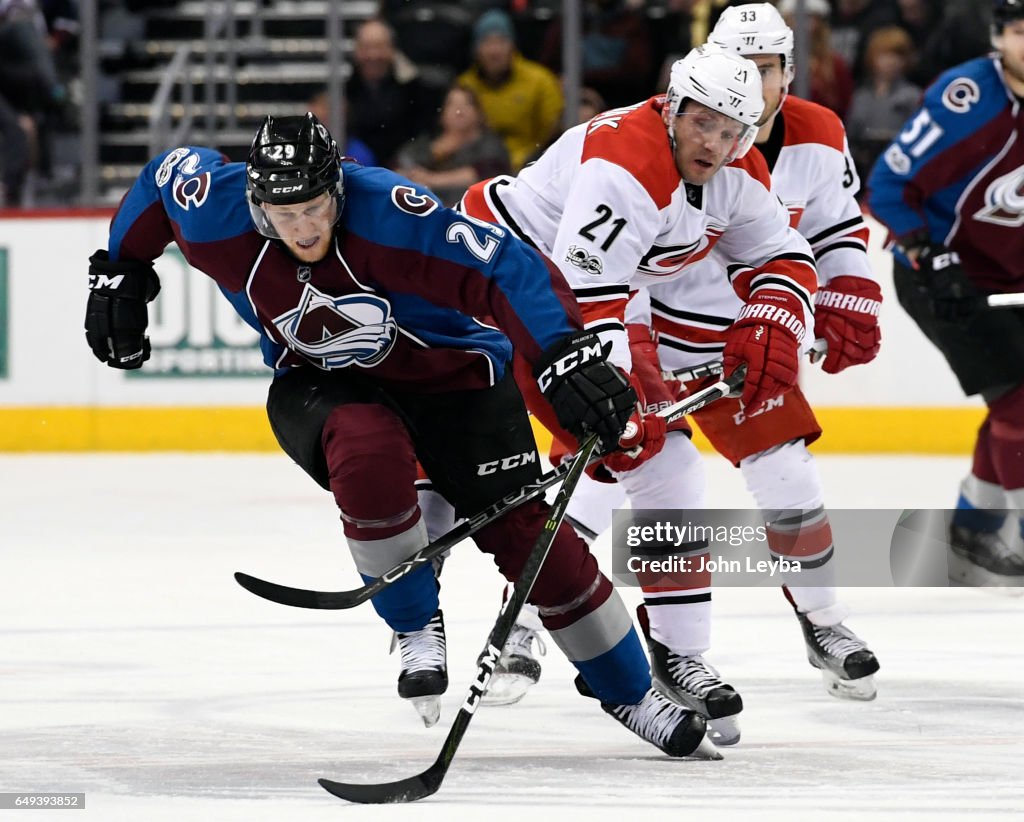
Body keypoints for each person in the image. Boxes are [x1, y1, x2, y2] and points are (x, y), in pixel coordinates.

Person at [83, 112, 718, 759]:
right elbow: (161, 180)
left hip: (454, 378)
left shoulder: (391, 214)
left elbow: (506, 268)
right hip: (321, 383)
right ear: (255, 203)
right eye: (284, 213)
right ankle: (416, 622)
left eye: (315, 207)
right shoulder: (216, 212)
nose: (303, 229)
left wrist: (563, 354)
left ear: (338, 189)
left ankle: (632, 692)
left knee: (529, 540)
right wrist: (119, 269)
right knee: (366, 449)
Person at [436, 43, 822, 725]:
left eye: (734, 130)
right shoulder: (625, 163)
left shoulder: (738, 171)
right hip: (504, 279)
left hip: (592, 293)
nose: (716, 142)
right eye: (703, 122)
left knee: (661, 468)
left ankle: (676, 653)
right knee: (629, 454)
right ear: (673, 107)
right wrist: (618, 400)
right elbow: (585, 299)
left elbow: (784, 253)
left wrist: (775, 316)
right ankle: (438, 582)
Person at [868, 0, 1024, 587]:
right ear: (997, 37)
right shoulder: (968, 98)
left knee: (1015, 399)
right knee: (1018, 399)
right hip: (940, 272)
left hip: (1010, 275)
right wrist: (924, 251)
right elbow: (887, 184)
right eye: (1017, 30)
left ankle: (975, 533)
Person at [456, 9, 564, 171]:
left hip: (530, 166)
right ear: (476, 49)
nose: (494, 51)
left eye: (501, 42)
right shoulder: (465, 85)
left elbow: (553, 131)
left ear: (512, 46)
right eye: (486, 42)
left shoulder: (540, 81)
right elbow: (457, 131)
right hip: (479, 166)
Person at [393, 83, 510, 207]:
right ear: (441, 114)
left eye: (467, 103)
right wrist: (434, 154)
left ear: (479, 113)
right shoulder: (428, 142)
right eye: (451, 104)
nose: (459, 109)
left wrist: (432, 179)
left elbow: (486, 174)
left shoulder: (490, 144)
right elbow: (400, 165)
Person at [846, 26, 922, 186]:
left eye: (897, 56)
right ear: (872, 57)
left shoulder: (913, 95)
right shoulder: (861, 96)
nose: (891, 62)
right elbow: (851, 135)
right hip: (863, 171)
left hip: (900, 171)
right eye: (884, 55)